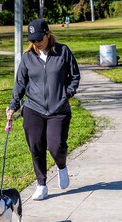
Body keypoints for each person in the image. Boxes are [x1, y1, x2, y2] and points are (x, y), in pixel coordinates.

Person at [6, 19, 80, 200]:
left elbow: (75, 76)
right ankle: (41, 184)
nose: (37, 43)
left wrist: (67, 94)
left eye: (40, 38)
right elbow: (20, 84)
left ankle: (61, 166)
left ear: (48, 34)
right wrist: (13, 106)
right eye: (33, 39)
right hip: (33, 108)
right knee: (36, 146)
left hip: (58, 108)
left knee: (56, 147)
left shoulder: (63, 52)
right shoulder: (28, 58)